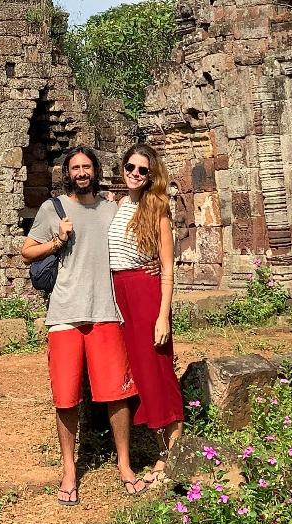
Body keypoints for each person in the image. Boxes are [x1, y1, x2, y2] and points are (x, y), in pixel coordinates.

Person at [20, 146, 148, 506]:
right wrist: (57, 239)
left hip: (106, 312)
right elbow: (26, 251)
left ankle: (124, 464)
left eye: (86, 166)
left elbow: (135, 241)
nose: (81, 172)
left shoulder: (111, 208)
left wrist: (154, 266)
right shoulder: (52, 209)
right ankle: (68, 469)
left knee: (118, 395)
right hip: (64, 314)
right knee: (65, 397)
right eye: (75, 167)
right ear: (67, 173)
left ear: (95, 171)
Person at [106, 143, 183, 483]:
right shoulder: (119, 205)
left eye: (143, 170)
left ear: (152, 176)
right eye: (131, 167)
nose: (135, 174)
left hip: (146, 294)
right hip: (118, 293)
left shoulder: (158, 211)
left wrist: (163, 315)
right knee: (137, 372)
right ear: (123, 169)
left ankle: (171, 454)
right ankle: (159, 447)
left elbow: (167, 267)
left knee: (158, 371)